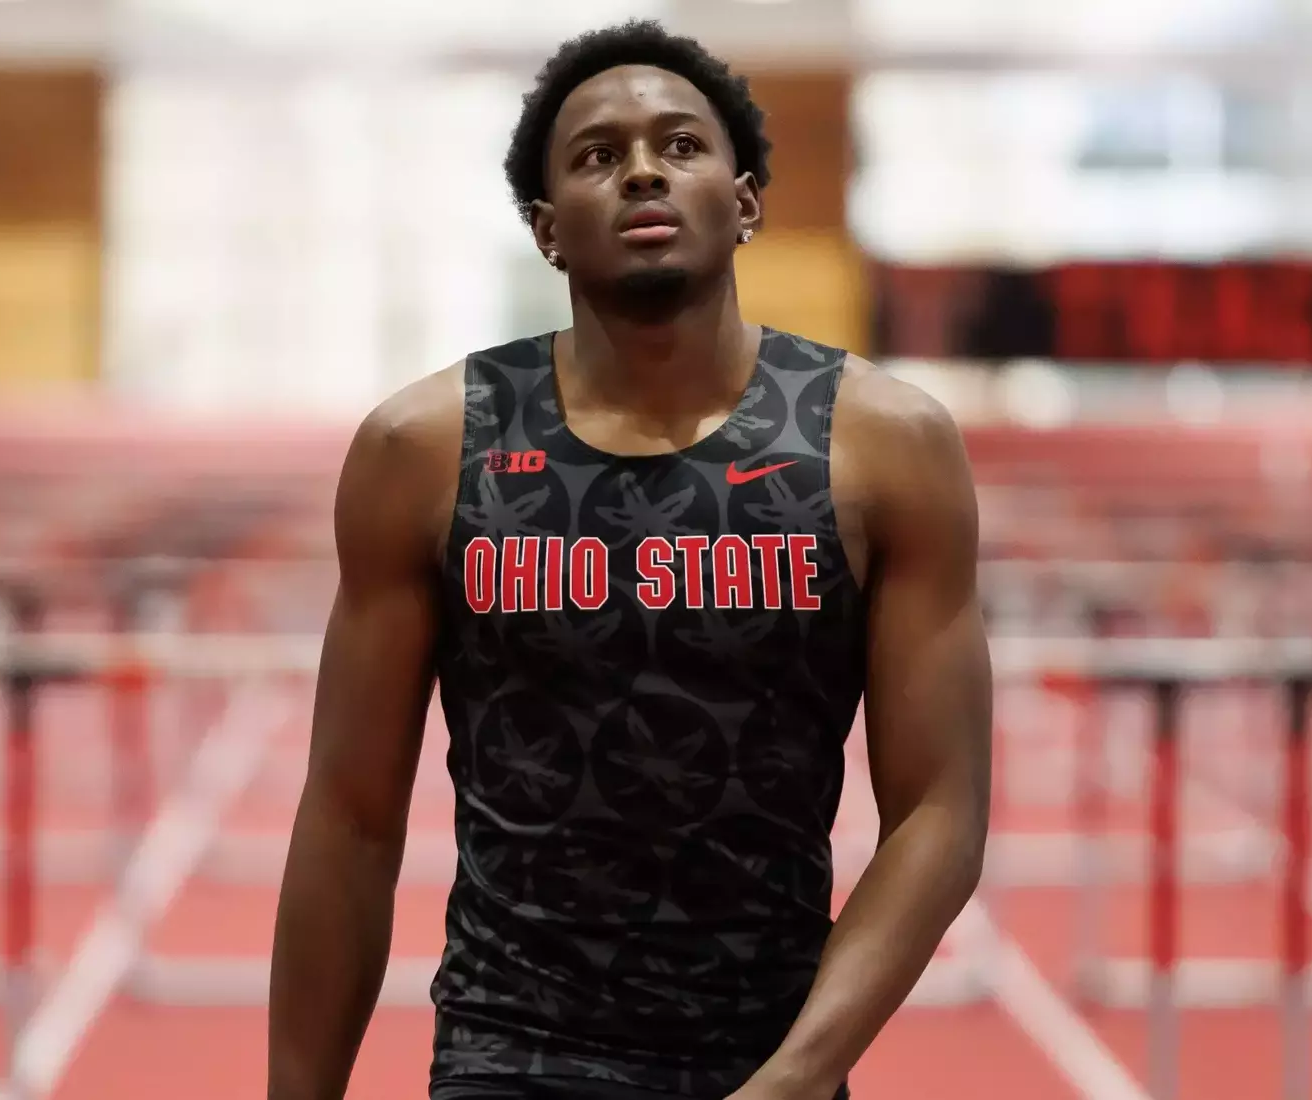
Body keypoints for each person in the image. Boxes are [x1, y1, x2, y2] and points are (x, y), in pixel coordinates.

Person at [267, 19, 992, 1100]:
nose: (644, 168)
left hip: (769, 1056)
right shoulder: (423, 451)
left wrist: (797, 1074)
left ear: (744, 200)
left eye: (681, 145)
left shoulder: (883, 447)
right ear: (548, 228)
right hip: (508, 1051)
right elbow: (350, 813)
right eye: (599, 154)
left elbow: (939, 805)